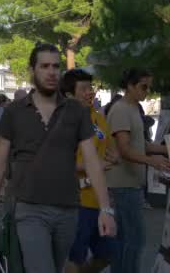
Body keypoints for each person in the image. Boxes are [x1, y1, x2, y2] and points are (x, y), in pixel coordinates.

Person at [0, 43, 116, 273]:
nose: (51, 72)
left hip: (68, 209)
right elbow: (0, 164)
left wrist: (105, 209)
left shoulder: (76, 111)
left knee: (56, 266)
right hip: (28, 208)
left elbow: (92, 161)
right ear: (32, 70)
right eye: (44, 66)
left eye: (56, 66)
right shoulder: (14, 111)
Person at [105, 68, 170, 273]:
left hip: (130, 184)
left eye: (149, 86)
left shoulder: (133, 108)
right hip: (123, 184)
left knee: (127, 240)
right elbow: (124, 149)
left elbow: (142, 144)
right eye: (143, 86)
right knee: (134, 240)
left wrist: (165, 149)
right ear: (130, 86)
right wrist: (153, 162)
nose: (147, 90)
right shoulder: (122, 109)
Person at [61, 69, 119, 273]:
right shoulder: (63, 122)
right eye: (84, 89)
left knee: (107, 255)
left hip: (101, 201)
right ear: (69, 94)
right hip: (77, 202)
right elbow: (62, 162)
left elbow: (109, 148)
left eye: (91, 87)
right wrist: (93, 166)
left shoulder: (98, 117)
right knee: (75, 259)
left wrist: (114, 157)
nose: (90, 92)